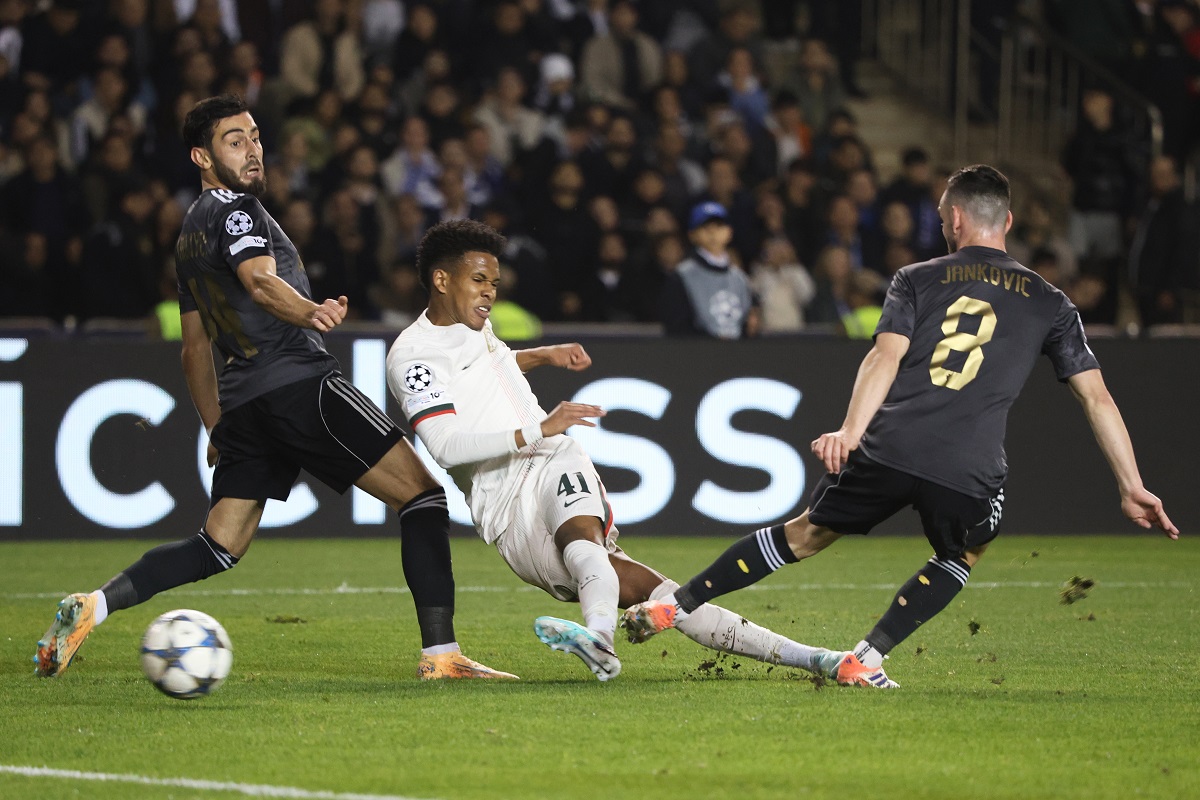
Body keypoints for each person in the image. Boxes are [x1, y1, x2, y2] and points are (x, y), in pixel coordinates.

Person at [621, 164, 1178, 688]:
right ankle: (866, 658)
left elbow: (883, 359)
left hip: (889, 447)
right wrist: (1131, 484)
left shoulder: (915, 277)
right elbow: (1097, 398)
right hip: (968, 465)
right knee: (962, 554)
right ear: (1006, 221)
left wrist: (850, 431)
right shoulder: (1052, 302)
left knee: (806, 533)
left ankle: (678, 604)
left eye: (941, 218)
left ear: (956, 220)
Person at [35, 95, 514, 682]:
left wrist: (217, 426)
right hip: (299, 383)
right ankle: (443, 657)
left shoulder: (188, 236)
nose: (253, 150)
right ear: (201, 157)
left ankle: (94, 604)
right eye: (235, 141)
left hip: (244, 405)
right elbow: (261, 282)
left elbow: (194, 349)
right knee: (422, 496)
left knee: (219, 546)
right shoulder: (238, 212)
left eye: (256, 137)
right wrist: (311, 311)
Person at [385, 218, 844, 682]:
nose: (489, 293)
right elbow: (443, 446)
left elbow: (485, 367)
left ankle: (813, 659)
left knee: (588, 543)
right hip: (502, 507)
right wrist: (538, 427)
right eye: (479, 281)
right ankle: (604, 637)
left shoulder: (474, 323)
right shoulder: (415, 357)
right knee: (664, 598)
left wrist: (543, 356)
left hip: (549, 458)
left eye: (495, 283)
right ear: (441, 280)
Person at [660, 201, 760, 338]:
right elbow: (677, 328)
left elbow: (748, 325)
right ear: (692, 235)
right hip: (698, 355)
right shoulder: (681, 277)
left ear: (729, 232)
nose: (712, 232)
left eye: (718, 226)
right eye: (705, 227)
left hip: (736, 356)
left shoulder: (740, 279)